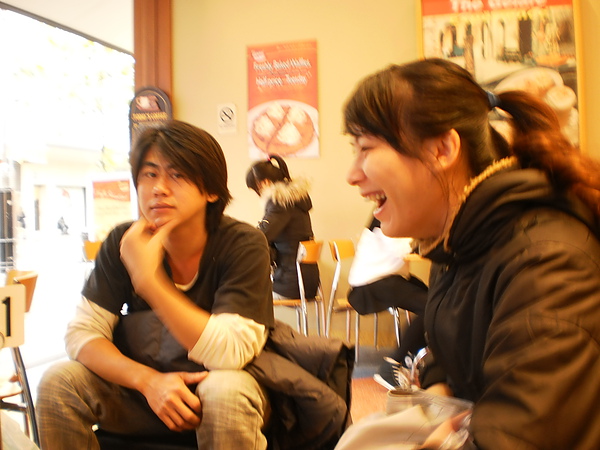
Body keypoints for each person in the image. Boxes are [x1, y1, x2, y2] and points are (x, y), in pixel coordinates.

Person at [341, 58, 600, 448]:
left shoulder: (546, 263)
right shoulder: (460, 240)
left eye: (366, 148)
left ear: (442, 149)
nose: (352, 174)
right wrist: (438, 388)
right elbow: (452, 344)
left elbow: (521, 435)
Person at [36, 120, 275, 449]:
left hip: (221, 387)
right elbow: (82, 335)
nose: (159, 188)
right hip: (144, 390)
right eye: (149, 174)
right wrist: (147, 381)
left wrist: (149, 280)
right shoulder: (123, 241)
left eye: (177, 175)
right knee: (58, 382)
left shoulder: (243, 243)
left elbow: (230, 353)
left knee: (225, 392)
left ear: (211, 191)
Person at [346, 216, 428, 389]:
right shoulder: (387, 218)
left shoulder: (394, 215)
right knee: (431, 307)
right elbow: (405, 249)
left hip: (389, 278)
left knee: (436, 300)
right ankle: (392, 364)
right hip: (370, 283)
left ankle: (411, 357)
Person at [246, 155, 319, 300]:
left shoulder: (280, 202)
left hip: (291, 283)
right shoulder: (294, 200)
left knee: (242, 295)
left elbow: (260, 236)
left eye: (256, 189)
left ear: (265, 183)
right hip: (306, 280)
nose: (258, 194)